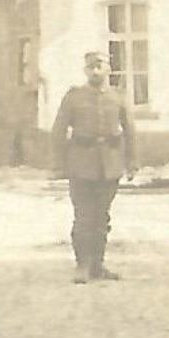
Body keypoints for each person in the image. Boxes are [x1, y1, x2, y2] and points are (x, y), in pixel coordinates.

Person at [51, 52, 136, 284]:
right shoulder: (74, 97)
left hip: (110, 164)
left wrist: (132, 162)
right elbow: (59, 130)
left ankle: (98, 265)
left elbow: (129, 130)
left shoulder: (118, 97)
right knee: (83, 217)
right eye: (91, 67)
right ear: (85, 71)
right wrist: (58, 164)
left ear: (109, 69)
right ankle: (82, 265)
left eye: (100, 66)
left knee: (102, 218)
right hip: (81, 164)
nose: (95, 71)